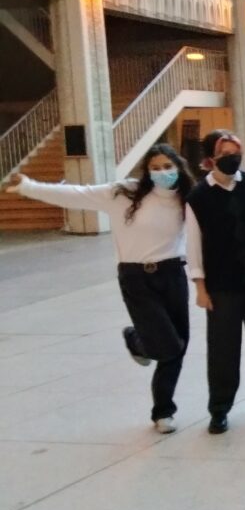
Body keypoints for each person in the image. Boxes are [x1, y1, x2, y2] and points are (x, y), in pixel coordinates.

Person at [7, 145, 195, 433]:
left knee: (178, 346)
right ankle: (162, 410)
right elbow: (77, 195)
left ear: (178, 167)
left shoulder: (187, 197)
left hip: (172, 274)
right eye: (155, 167)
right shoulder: (124, 193)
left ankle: (141, 345)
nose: (162, 173)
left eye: (168, 166)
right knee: (169, 347)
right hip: (137, 278)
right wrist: (29, 187)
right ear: (146, 170)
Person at [185, 130, 245, 434]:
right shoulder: (198, 196)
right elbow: (193, 244)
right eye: (224, 152)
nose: (231, 157)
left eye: (235, 151)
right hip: (221, 286)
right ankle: (220, 407)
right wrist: (200, 287)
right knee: (223, 348)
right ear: (210, 158)